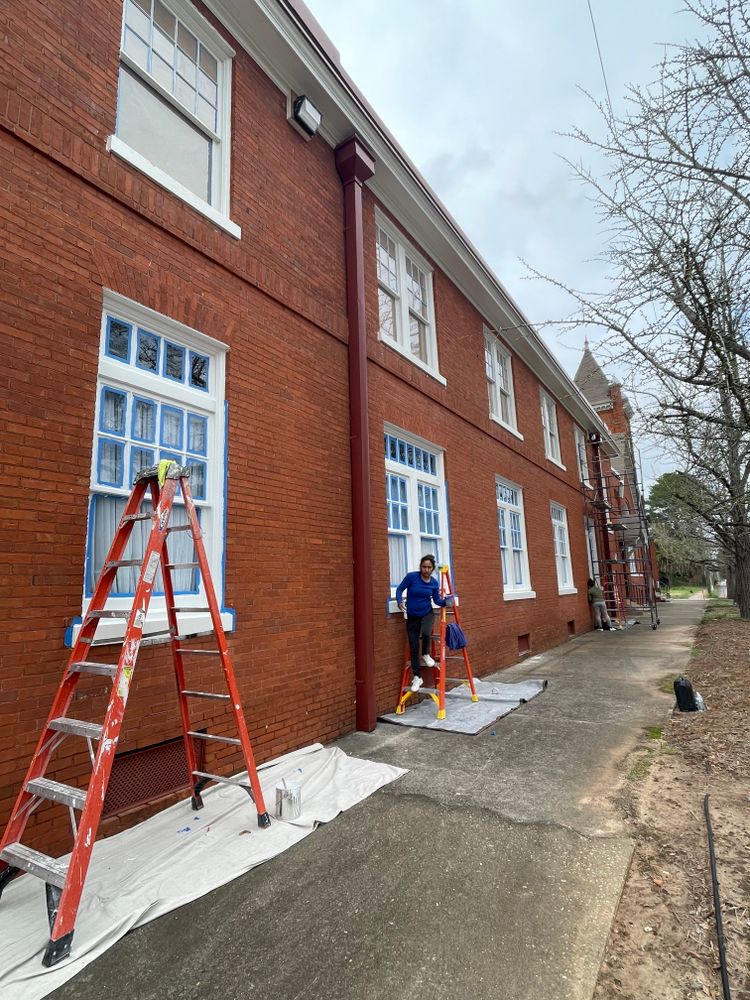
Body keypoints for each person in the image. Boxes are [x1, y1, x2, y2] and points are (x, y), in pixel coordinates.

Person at [396, 555, 448, 692]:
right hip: (412, 615)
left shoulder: (434, 583)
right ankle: (417, 677)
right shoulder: (412, 577)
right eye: (424, 567)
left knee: (426, 633)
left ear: (432, 568)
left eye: (429, 567)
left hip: (427, 613)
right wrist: (399, 601)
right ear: (420, 567)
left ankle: (425, 654)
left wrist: (446, 602)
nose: (426, 569)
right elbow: (400, 589)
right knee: (413, 646)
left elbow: (437, 600)